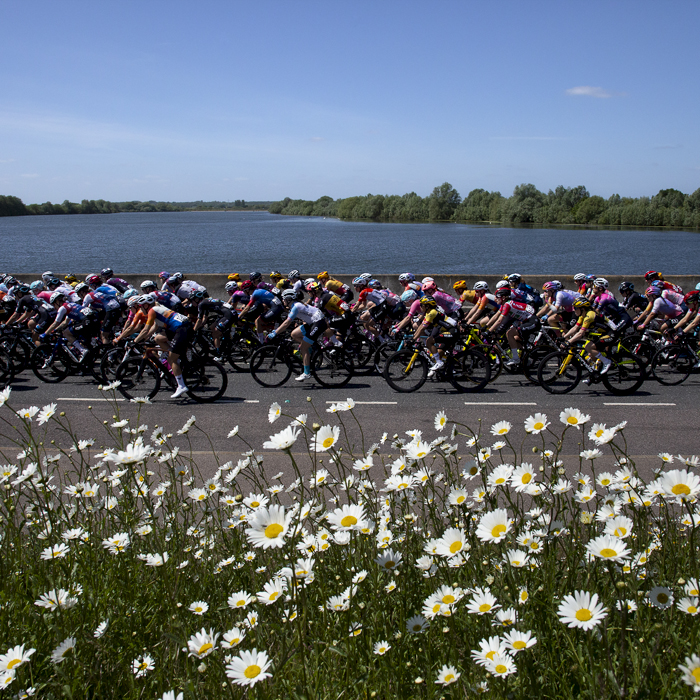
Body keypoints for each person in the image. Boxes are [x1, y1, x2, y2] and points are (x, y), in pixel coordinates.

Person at [131, 293, 193, 399]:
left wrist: (135, 341)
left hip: (182, 329)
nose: (140, 309)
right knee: (158, 339)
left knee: (172, 359)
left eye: (141, 306)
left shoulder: (152, 311)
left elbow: (146, 329)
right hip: (181, 327)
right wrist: (145, 338)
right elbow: (154, 327)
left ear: (146, 305)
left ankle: (181, 386)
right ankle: (175, 358)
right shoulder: (157, 308)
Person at [268, 288, 328, 382]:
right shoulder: (295, 306)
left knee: (304, 348)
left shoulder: (296, 306)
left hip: (318, 323)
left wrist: (275, 332)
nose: (283, 300)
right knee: (294, 334)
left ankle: (307, 373)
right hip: (312, 322)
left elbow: (286, 323)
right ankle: (310, 348)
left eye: (284, 299)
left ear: (289, 299)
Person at [486, 285, 540, 368]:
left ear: (503, 298)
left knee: (510, 333)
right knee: (514, 339)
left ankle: (516, 358)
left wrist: (489, 331)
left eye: (497, 297)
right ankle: (523, 355)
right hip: (525, 320)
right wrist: (486, 326)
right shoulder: (505, 304)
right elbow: (496, 316)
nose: (495, 299)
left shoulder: (507, 305)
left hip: (532, 321)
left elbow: (499, 320)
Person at [561, 296, 612, 377]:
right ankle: (595, 374)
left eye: (575, 307)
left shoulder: (589, 316)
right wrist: (564, 337)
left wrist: (568, 342)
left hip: (610, 333)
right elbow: (575, 328)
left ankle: (606, 362)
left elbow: (580, 333)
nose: (574, 309)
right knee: (590, 355)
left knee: (589, 347)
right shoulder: (583, 315)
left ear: (582, 308)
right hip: (600, 334)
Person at [411, 295, 458, 376]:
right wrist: (414, 336)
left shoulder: (432, 313)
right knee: (439, 352)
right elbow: (420, 326)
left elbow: (422, 328)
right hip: (448, 330)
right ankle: (448, 370)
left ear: (427, 306)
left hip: (452, 331)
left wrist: (413, 338)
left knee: (429, 341)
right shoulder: (429, 312)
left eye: (422, 305)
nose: (420, 307)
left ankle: (439, 363)